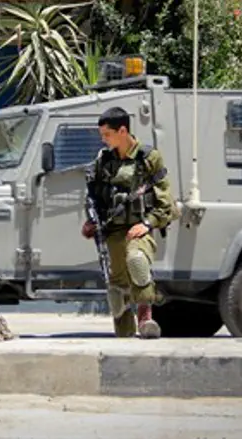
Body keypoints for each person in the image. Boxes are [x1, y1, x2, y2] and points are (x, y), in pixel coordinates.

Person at [81, 107, 178, 338]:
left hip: (138, 227)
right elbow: (94, 197)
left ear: (122, 130)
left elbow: (165, 200)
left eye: (107, 134)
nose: (103, 140)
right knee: (116, 289)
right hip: (112, 230)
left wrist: (148, 223)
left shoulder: (148, 158)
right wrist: (91, 223)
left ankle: (146, 320)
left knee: (137, 261)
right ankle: (124, 333)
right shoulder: (103, 160)